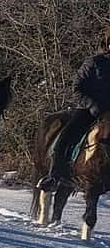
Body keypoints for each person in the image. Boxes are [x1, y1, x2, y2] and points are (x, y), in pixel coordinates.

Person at [40, 30, 110, 188]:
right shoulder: (94, 62)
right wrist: (92, 105)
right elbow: (77, 88)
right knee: (66, 137)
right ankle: (55, 175)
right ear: (107, 44)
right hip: (89, 111)